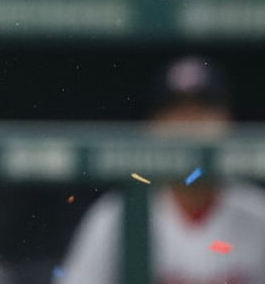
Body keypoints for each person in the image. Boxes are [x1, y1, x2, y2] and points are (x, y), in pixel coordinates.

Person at [60, 55, 265, 284]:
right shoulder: (115, 215)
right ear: (152, 126)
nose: (190, 127)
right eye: (177, 114)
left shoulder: (259, 211)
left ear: (229, 122)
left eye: (203, 112)